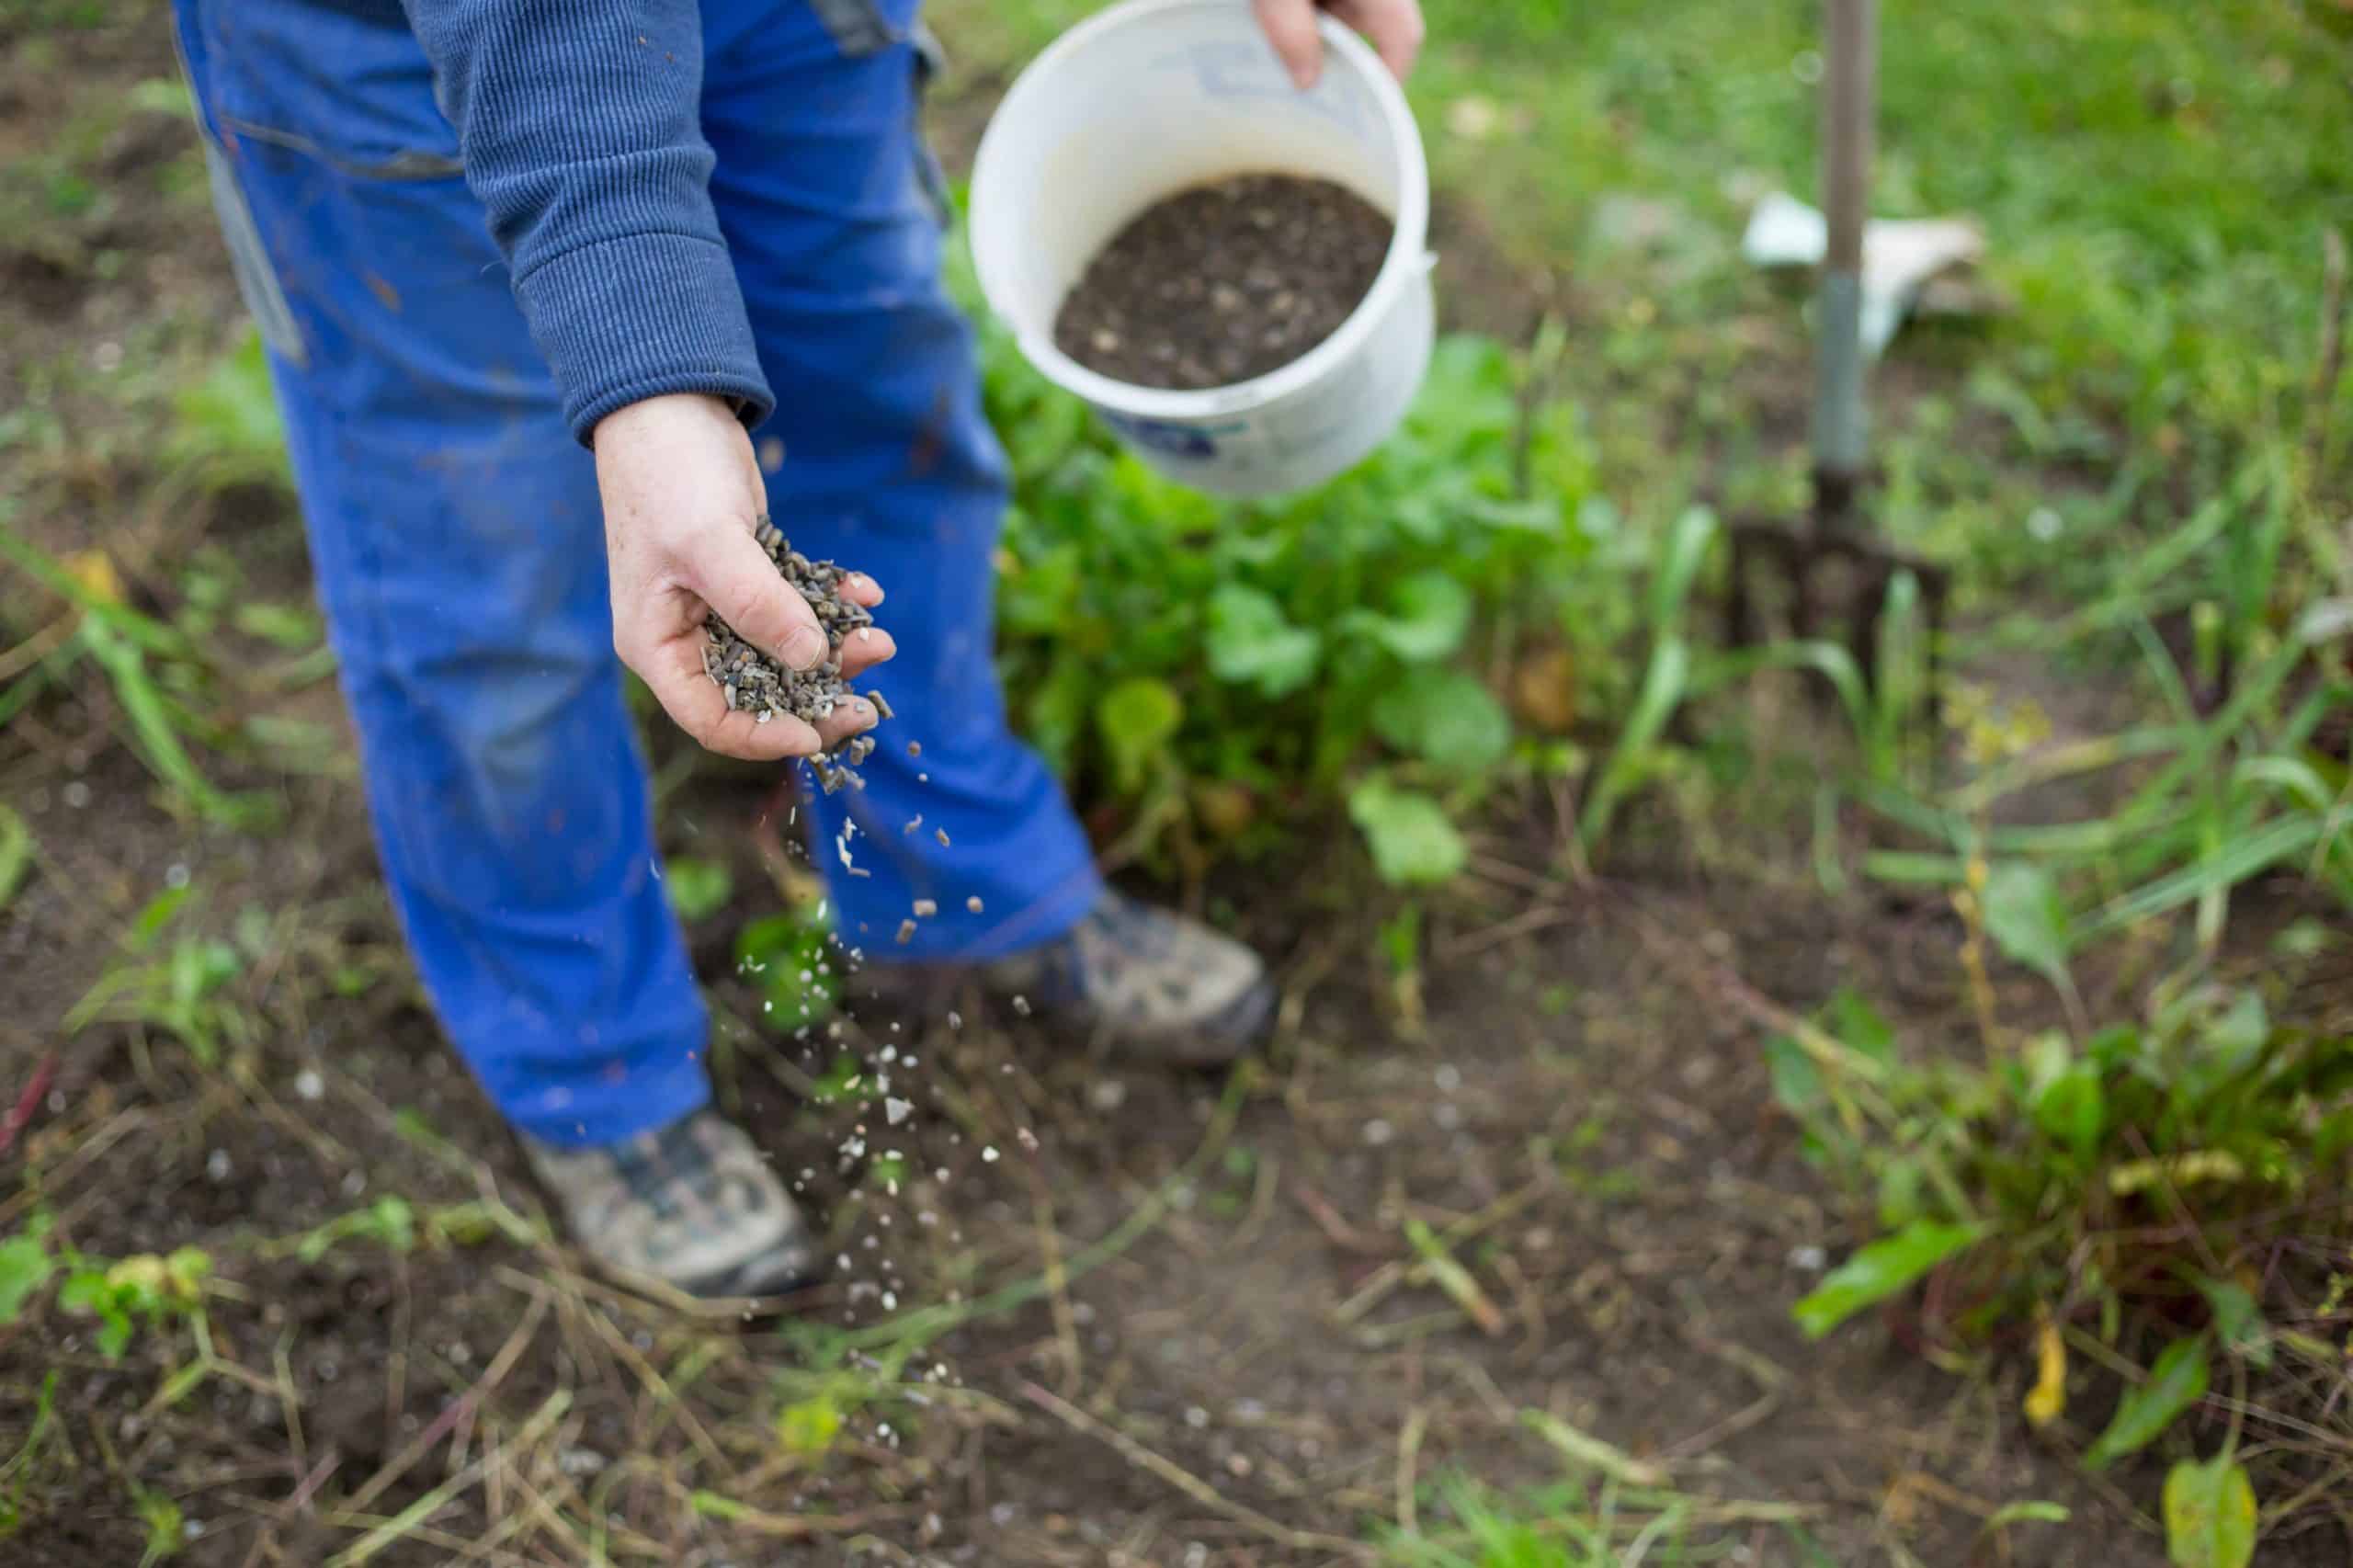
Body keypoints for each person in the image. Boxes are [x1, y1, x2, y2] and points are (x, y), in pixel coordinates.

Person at [172, 0, 1423, 1299]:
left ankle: (951, 880)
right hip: (411, 44)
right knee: (476, 553)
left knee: (876, 390)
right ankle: (589, 1064)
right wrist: (649, 370)